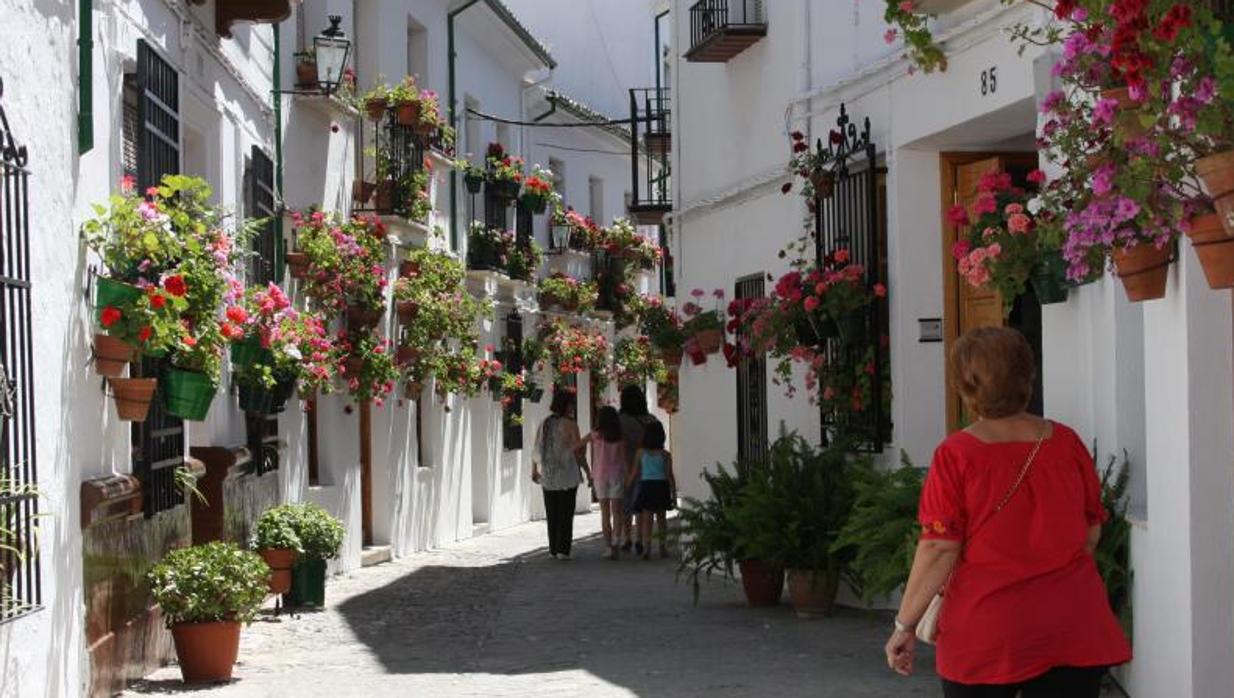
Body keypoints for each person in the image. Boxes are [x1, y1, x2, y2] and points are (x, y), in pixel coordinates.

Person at [885, 327, 1131, 697]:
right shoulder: (1066, 443)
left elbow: (939, 548)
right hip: (1072, 622)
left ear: (965, 387)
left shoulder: (956, 455)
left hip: (988, 628)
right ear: (1027, 376)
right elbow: (1090, 533)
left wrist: (905, 624)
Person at [532, 389, 592, 560]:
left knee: (552, 513)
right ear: (566, 405)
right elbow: (578, 451)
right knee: (566, 512)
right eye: (571, 403)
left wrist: (534, 469)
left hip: (548, 475)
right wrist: (587, 471)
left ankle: (553, 549)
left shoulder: (544, 423)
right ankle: (563, 550)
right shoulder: (570, 424)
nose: (573, 406)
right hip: (567, 474)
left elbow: (537, 448)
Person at [581, 405, 627, 560]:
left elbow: (577, 446)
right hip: (617, 475)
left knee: (605, 513)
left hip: (600, 476)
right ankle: (616, 543)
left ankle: (608, 547)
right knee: (618, 512)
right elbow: (623, 459)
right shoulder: (620, 437)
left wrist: (584, 463)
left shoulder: (595, 435)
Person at [618, 385, 659, 554]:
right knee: (642, 506)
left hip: (625, 466)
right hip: (647, 468)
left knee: (625, 504)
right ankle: (640, 539)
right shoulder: (652, 420)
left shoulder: (620, 420)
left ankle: (627, 538)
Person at [626, 420, 675, 560]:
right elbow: (669, 475)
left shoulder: (641, 453)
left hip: (646, 487)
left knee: (647, 520)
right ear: (662, 436)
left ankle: (647, 549)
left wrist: (627, 487)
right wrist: (674, 494)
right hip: (661, 487)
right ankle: (662, 547)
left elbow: (634, 472)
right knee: (661, 519)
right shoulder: (665, 454)